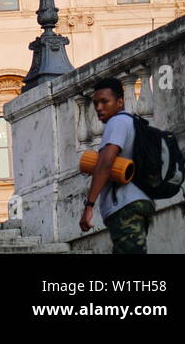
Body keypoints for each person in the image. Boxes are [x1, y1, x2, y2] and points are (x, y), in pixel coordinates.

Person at [81, 77, 155, 253]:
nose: (99, 107)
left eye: (105, 101)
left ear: (120, 102)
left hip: (125, 205)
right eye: (95, 103)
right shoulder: (133, 122)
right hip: (140, 200)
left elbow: (105, 163)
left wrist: (89, 205)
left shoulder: (117, 122)